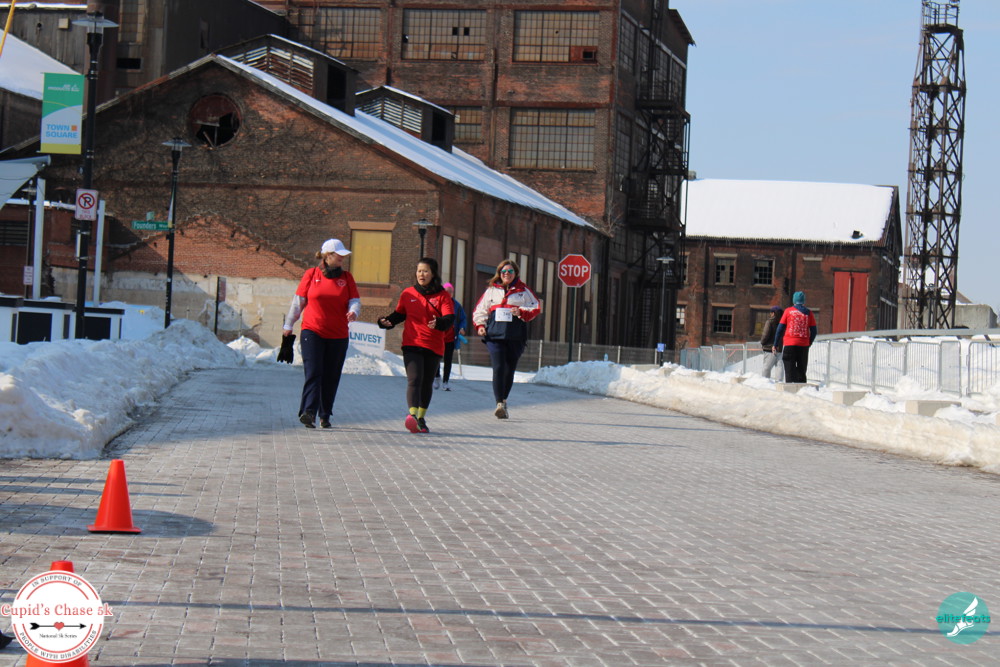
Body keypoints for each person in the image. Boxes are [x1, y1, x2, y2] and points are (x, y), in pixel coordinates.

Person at [283, 238, 360, 429]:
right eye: (338, 254)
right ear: (327, 255)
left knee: (331, 376)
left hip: (338, 334)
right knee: (314, 372)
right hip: (312, 331)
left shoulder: (347, 278)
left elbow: (354, 300)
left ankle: (325, 414)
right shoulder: (311, 274)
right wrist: (288, 324)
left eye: (343, 255)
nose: (342, 258)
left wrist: (354, 311)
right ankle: (308, 412)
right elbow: (298, 302)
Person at [377, 258, 455, 433]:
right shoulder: (408, 293)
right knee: (414, 379)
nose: (421, 274)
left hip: (433, 345)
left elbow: (449, 318)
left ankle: (421, 418)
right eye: (419, 271)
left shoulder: (442, 295)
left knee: (426, 382)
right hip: (412, 343)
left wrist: (439, 322)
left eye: (425, 271)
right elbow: (399, 314)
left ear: (433, 274)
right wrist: (386, 322)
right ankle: (412, 416)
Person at [472, 259, 541, 419]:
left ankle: (504, 400)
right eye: (503, 271)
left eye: (510, 271)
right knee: (498, 367)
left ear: (516, 273)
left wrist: (521, 311)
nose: (507, 274)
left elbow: (536, 307)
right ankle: (499, 404)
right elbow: (480, 309)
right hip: (495, 335)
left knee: (509, 369)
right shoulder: (491, 290)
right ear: (499, 274)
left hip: (515, 336)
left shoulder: (523, 290)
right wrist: (480, 325)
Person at [774, 291, 817, 383]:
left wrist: (775, 344)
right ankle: (801, 388)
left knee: (789, 370)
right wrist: (809, 342)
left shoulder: (788, 311)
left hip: (790, 344)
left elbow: (780, 329)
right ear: (803, 301)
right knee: (801, 371)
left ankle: (790, 388)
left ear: (794, 300)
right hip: (803, 345)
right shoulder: (809, 313)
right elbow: (814, 331)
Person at [434, 282, 466, 391]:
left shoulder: (457, 306)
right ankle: (436, 377)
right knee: (437, 357)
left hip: (451, 337)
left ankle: (446, 381)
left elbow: (463, 319)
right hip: (439, 336)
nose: (449, 294)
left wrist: (462, 328)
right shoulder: (437, 303)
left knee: (448, 359)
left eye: (451, 292)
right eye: (446, 292)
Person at [759, 305, 785, 381]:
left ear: (773, 313)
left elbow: (765, 334)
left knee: (766, 368)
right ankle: (779, 383)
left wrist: (762, 342)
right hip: (779, 348)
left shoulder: (770, 322)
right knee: (779, 366)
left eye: (771, 313)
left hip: (769, 348)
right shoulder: (783, 322)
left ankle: (765, 382)